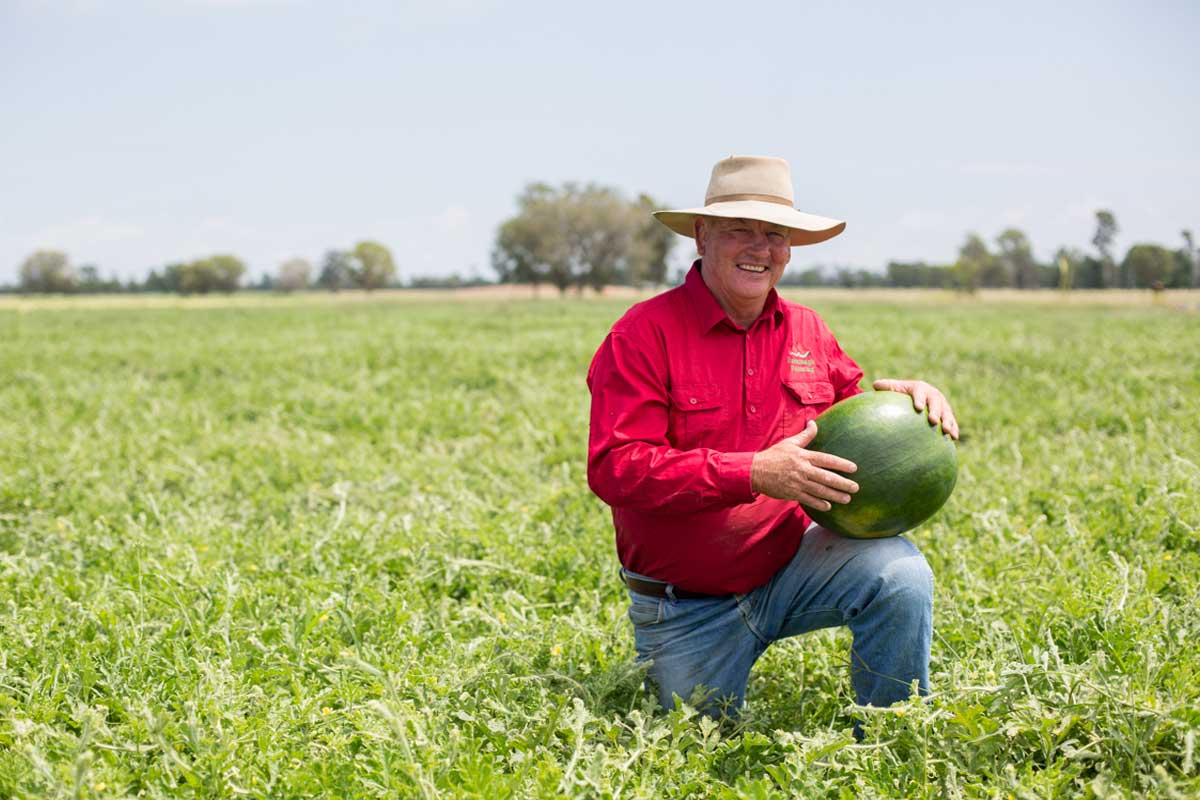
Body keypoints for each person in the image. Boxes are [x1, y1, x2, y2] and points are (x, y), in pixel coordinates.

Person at [585, 155, 960, 721]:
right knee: (700, 753)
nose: (760, 248)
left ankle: (892, 739)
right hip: (685, 607)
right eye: (740, 230)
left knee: (900, 576)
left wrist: (910, 399)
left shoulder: (808, 330)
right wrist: (754, 471)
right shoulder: (642, 335)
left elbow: (855, 422)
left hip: (790, 570)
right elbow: (616, 467)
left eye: (775, 234)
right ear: (702, 235)